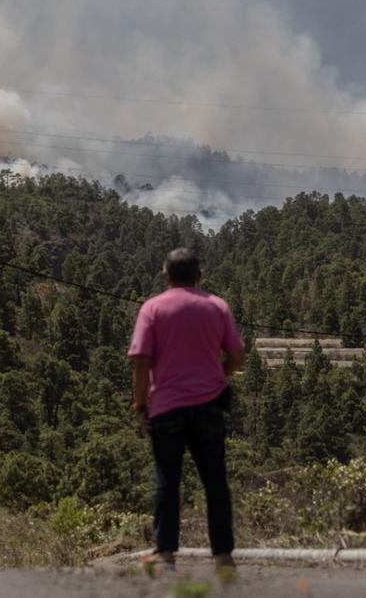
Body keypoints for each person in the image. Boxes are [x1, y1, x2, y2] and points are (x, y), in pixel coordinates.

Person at [128, 247, 245, 576]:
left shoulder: (152, 309)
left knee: (167, 480)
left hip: (167, 408)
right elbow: (237, 357)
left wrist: (140, 405)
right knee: (215, 481)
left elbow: (140, 362)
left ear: (166, 275)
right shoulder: (217, 307)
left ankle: (165, 554)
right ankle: (223, 556)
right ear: (200, 275)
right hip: (209, 406)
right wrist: (216, 377)